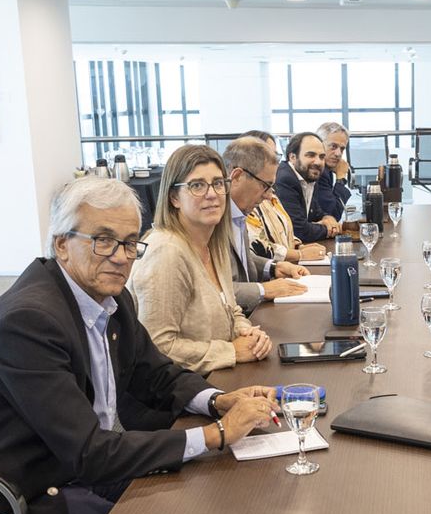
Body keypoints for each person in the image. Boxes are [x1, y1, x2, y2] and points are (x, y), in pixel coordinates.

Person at [0, 176, 278, 514]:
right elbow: (90, 453)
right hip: (24, 501)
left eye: (130, 242)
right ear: (61, 244)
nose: (121, 256)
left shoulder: (112, 296)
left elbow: (155, 373)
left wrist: (218, 401)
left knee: (219, 500)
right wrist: (216, 433)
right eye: (103, 240)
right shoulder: (28, 322)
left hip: (77, 470)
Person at [128, 145, 273, 375]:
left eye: (218, 183)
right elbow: (158, 346)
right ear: (174, 197)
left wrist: (247, 334)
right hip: (175, 399)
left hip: (214, 380)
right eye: (197, 185)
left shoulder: (214, 243)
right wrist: (231, 352)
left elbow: (231, 309)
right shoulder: (166, 253)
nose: (212, 194)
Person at [220, 137, 310, 313]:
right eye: (265, 185)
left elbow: (241, 260)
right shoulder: (211, 218)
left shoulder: (239, 211)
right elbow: (214, 291)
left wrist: (273, 267)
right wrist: (264, 290)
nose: (269, 196)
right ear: (237, 176)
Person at [241, 130, 326, 265]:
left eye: (275, 155)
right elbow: (256, 245)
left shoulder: (270, 192)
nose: (274, 162)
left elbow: (284, 229)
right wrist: (299, 254)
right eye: (268, 155)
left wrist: (298, 245)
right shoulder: (245, 197)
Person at [276, 131, 343, 246]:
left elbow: (316, 213)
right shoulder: (285, 179)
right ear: (292, 157)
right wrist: (329, 229)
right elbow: (298, 231)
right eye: (311, 155)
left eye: (321, 157)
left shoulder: (310, 176)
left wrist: (327, 217)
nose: (318, 162)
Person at [315, 121, 352, 220]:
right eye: (333, 146)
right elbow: (332, 214)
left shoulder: (327, 169)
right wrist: (341, 179)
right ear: (319, 144)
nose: (338, 154)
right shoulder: (317, 171)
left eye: (342, 149)